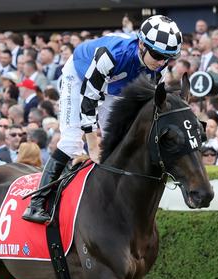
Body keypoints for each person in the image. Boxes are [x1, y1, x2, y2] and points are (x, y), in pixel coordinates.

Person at [23, 15, 183, 223]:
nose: (161, 62)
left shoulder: (158, 69)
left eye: (168, 58)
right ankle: (36, 203)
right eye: (157, 55)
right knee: (72, 141)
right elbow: (89, 101)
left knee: (118, 140)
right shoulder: (112, 56)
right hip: (80, 74)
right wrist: (92, 146)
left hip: (113, 84)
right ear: (142, 45)